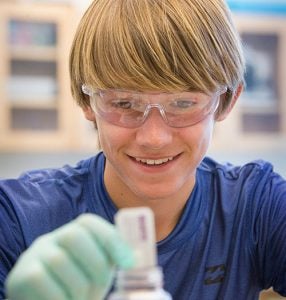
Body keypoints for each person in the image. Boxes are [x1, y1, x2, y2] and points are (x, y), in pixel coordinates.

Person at [1, 0, 285, 299]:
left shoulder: (258, 208)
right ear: (88, 102)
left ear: (226, 101)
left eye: (184, 103)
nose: (154, 138)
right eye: (124, 103)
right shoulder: (15, 218)